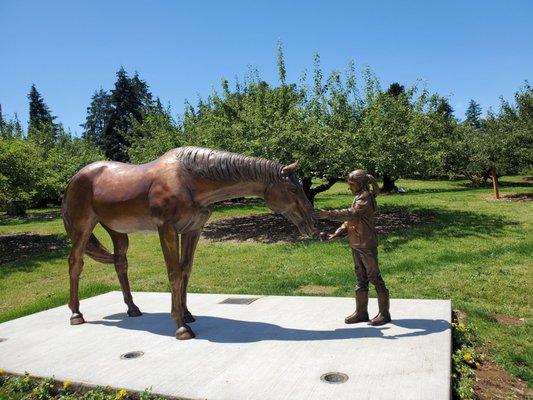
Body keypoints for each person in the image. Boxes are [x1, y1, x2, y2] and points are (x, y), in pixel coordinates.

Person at [314, 170, 391, 326]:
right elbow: (349, 222)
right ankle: (361, 313)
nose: (349, 188)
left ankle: (384, 314)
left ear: (361, 184)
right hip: (356, 243)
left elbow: (351, 214)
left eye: (352, 184)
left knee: (375, 278)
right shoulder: (358, 197)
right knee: (360, 278)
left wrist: (328, 214)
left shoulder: (366, 198)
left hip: (366, 245)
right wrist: (334, 235)